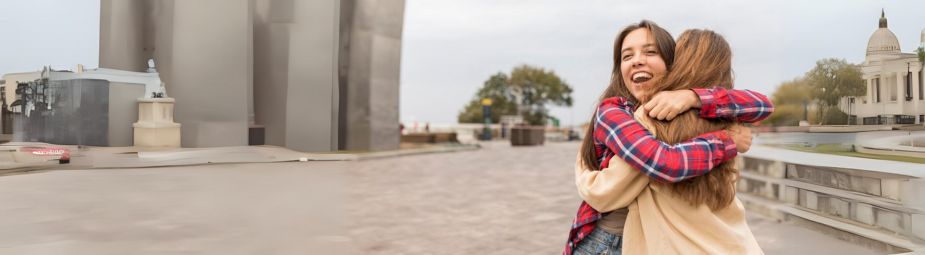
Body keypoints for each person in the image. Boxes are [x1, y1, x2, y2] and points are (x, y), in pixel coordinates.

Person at [565, 21, 774, 255]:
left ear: (672, 62)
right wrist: (728, 142)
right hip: (607, 240)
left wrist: (693, 97)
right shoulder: (616, 111)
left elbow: (763, 105)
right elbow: (664, 162)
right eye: (626, 56)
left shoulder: (689, 114)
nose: (637, 60)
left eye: (650, 51)